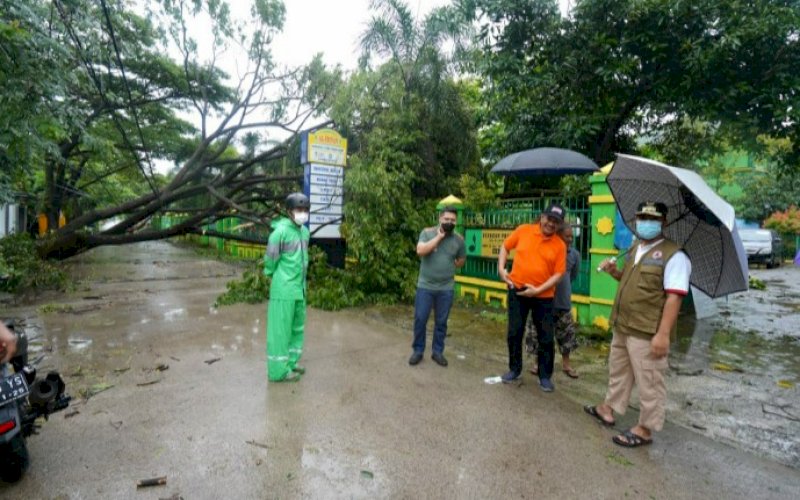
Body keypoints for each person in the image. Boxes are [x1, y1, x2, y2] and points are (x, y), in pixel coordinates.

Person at [584, 201, 691, 447]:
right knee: (618, 370)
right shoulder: (634, 248)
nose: (646, 222)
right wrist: (614, 272)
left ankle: (645, 429)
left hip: (647, 330)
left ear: (664, 222)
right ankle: (608, 409)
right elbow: (628, 280)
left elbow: (674, 297)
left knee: (649, 380)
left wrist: (663, 334)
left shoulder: (675, 256)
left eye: (652, 219)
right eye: (642, 217)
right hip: (623, 324)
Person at [497, 202, 567, 392]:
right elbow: (505, 246)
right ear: (542, 217)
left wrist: (537, 290)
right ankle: (514, 369)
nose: (551, 224)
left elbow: (558, 275)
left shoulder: (560, 246)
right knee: (514, 332)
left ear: (559, 224)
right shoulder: (523, 231)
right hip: (517, 290)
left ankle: (545, 376)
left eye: (556, 222)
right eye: (549, 219)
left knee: (545, 336)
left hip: (543, 296)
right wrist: (501, 269)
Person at [409, 207, 466, 367]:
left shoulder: (458, 240)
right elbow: (420, 251)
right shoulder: (427, 233)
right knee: (420, 318)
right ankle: (418, 351)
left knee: (441, 322)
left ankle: (437, 352)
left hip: (446, 288)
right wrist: (439, 238)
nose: (449, 222)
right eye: (446, 219)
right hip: (425, 286)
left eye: (453, 220)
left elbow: (461, 259)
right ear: (440, 219)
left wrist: (455, 263)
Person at [264, 192, 311, 383]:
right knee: (280, 332)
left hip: (299, 289)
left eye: (305, 210)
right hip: (283, 289)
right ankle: (277, 371)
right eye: (298, 210)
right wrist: (272, 276)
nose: (302, 213)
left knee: (296, 328)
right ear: (289, 211)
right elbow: (270, 260)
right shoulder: (279, 232)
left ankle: (291, 363)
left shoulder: (304, 232)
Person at [526, 224, 580, 378]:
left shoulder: (574, 255)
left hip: (563, 303)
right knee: (538, 334)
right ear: (557, 236)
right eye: (566, 236)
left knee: (566, 336)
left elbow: (573, 276)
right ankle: (537, 363)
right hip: (543, 301)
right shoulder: (545, 252)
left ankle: (566, 365)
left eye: (571, 236)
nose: (570, 239)